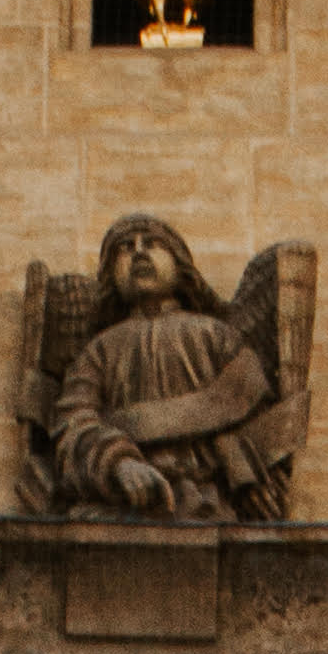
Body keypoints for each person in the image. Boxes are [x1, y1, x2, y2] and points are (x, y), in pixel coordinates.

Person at [47, 217, 292, 524]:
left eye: (152, 244)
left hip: (208, 502)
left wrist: (250, 480)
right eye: (125, 248)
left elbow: (255, 413)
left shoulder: (217, 336)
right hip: (120, 507)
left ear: (179, 265)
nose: (139, 252)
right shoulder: (99, 350)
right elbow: (73, 422)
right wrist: (118, 463)